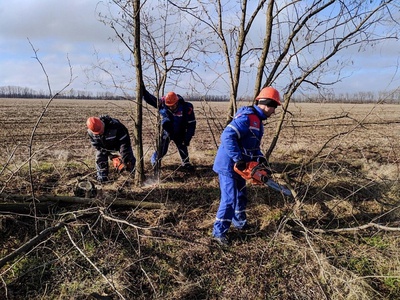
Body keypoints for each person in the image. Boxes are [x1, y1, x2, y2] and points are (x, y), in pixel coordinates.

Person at [211, 86, 281, 246]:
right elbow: (227, 136)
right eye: (274, 107)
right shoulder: (248, 118)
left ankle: (240, 222)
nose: (274, 112)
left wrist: (260, 159)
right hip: (229, 165)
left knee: (241, 195)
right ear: (267, 104)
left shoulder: (258, 122)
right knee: (229, 199)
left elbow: (252, 146)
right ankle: (219, 232)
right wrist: (238, 159)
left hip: (240, 166)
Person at [142, 87, 196, 170]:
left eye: (173, 106)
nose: (171, 108)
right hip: (167, 131)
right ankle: (154, 161)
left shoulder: (186, 108)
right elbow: (151, 100)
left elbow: (192, 124)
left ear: (177, 102)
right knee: (162, 150)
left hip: (180, 131)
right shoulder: (162, 104)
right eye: (169, 106)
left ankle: (186, 163)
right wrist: (144, 92)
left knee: (182, 146)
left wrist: (188, 138)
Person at [86, 115, 136, 182]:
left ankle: (132, 175)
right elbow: (97, 146)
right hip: (105, 147)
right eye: (98, 133)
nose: (100, 133)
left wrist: (124, 158)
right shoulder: (91, 133)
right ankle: (102, 178)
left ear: (102, 123)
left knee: (128, 157)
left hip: (119, 143)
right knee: (100, 158)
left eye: (101, 130)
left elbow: (124, 142)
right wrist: (111, 156)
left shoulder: (115, 125)